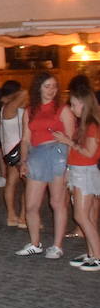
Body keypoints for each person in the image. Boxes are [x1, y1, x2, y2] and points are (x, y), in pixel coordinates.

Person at [15, 72, 76, 259]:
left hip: (58, 154)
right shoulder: (30, 110)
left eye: (54, 86)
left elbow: (72, 138)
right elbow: (25, 139)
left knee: (57, 202)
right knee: (31, 205)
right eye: (47, 86)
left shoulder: (63, 109)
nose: (51, 90)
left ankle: (57, 245)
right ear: (39, 87)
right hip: (37, 155)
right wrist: (23, 161)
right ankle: (35, 243)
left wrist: (70, 166)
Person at [57, 81, 100, 271]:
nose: (72, 108)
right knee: (88, 216)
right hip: (79, 171)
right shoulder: (84, 124)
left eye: (74, 104)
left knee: (81, 216)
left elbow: (90, 153)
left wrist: (68, 142)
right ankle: (92, 253)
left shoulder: (91, 125)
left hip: (85, 172)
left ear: (83, 103)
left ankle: (97, 256)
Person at [0, 80, 28, 228]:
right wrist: (14, 95)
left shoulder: (9, 108)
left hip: (11, 150)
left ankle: (12, 216)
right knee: (29, 184)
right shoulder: (10, 107)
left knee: (11, 182)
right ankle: (23, 217)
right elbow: (25, 93)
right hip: (18, 151)